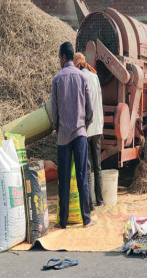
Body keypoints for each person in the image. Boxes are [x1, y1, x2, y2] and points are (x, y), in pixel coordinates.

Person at [50, 42, 95, 228]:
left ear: (62, 57)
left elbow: (54, 109)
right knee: (82, 176)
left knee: (64, 179)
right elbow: (89, 109)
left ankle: (62, 221)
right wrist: (85, 124)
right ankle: (86, 219)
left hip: (63, 136)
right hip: (80, 134)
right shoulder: (82, 77)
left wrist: (56, 126)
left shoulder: (57, 79)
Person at [74, 52, 104, 209]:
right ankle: (100, 200)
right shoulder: (95, 76)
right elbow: (98, 101)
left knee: (87, 167)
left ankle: (90, 204)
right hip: (98, 127)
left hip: (86, 128)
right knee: (98, 166)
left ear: (78, 64)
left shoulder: (80, 78)